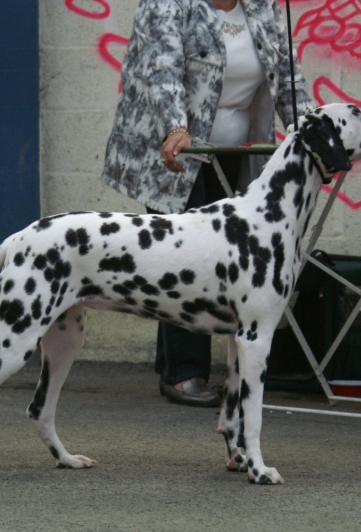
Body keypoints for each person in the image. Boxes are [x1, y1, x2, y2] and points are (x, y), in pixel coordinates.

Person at [101, 0, 313, 407]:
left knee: (216, 259)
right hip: (174, 151)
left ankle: (174, 364)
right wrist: (175, 127)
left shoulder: (264, 8)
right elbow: (161, 69)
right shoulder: (167, 4)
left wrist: (310, 134)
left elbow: (288, 79)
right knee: (181, 259)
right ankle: (184, 373)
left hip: (235, 154)